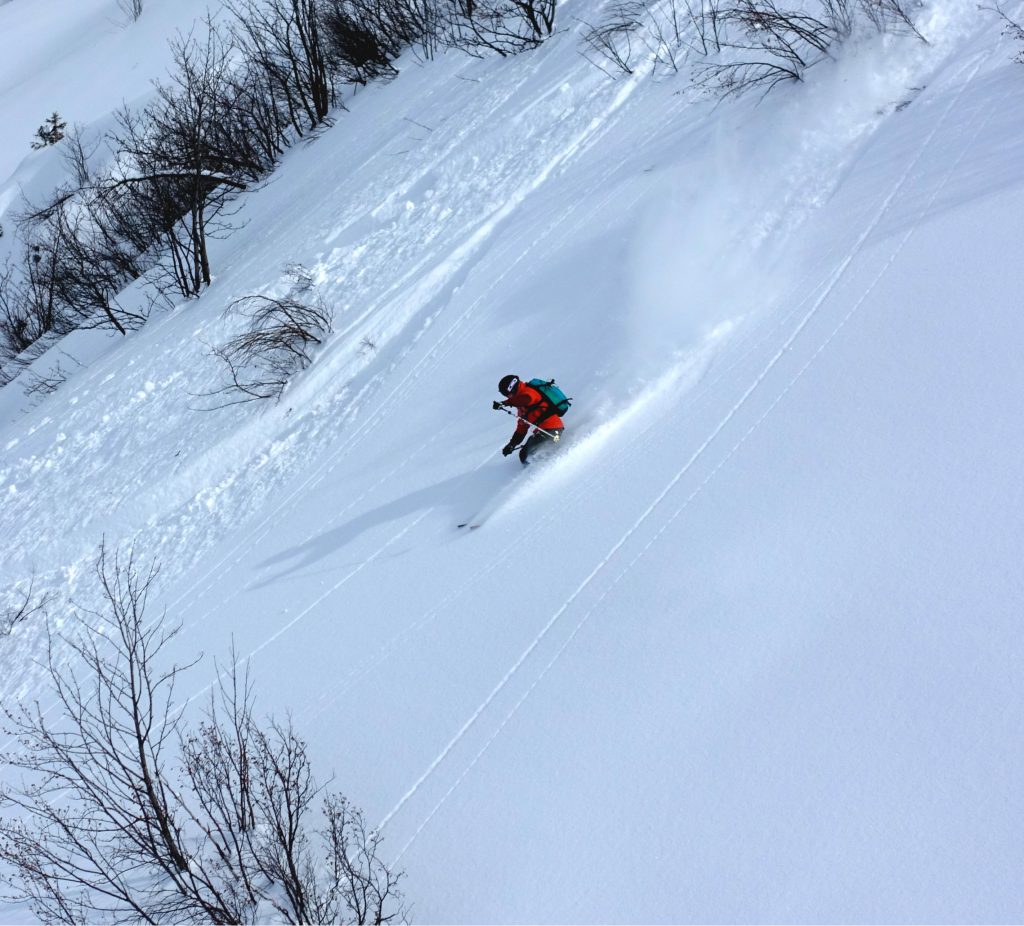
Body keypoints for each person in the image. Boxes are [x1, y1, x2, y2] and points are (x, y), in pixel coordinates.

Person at [493, 374, 564, 464]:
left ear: (512, 389)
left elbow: (527, 399)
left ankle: (546, 469)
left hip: (552, 430)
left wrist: (505, 403)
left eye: (507, 394)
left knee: (528, 454)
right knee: (524, 454)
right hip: (544, 431)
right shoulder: (521, 407)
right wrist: (511, 445)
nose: (508, 397)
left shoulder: (528, 392)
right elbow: (521, 428)